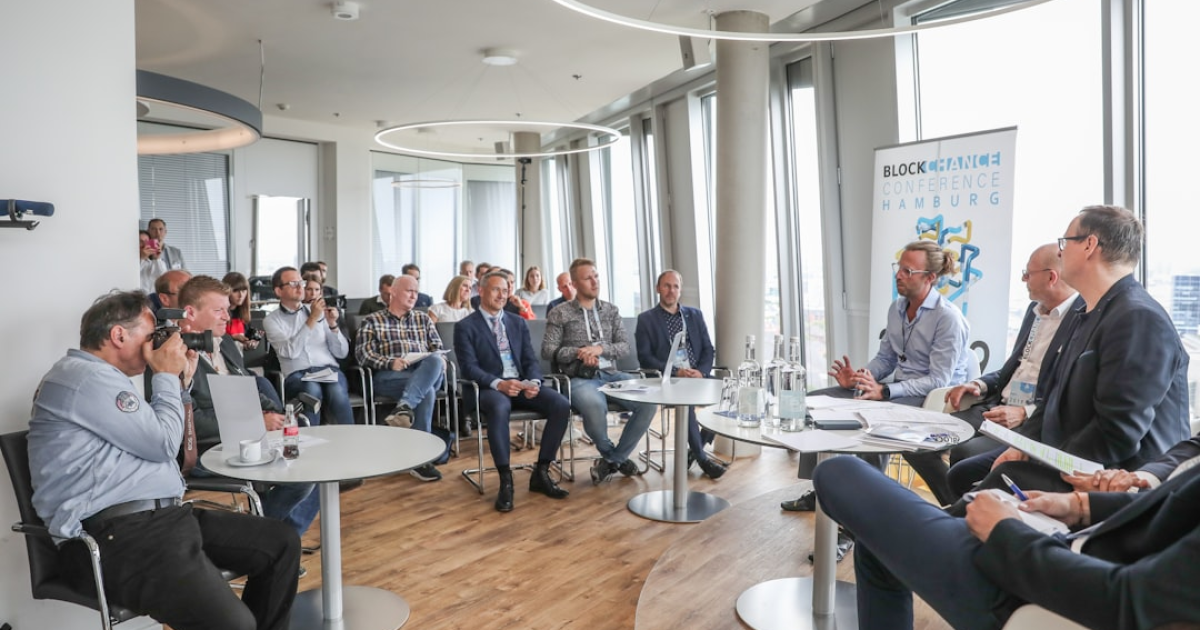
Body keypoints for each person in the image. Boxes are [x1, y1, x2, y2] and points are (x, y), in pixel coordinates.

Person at [29, 290, 299, 630]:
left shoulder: (108, 382)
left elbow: (166, 444)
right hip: (113, 537)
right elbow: (161, 444)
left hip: (162, 520)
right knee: (233, 624)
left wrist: (180, 384)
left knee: (279, 542)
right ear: (118, 335)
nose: (157, 346)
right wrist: (166, 377)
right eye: (150, 334)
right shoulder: (85, 379)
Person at [948, 206, 1190, 503]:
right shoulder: (1085, 312)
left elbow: (1116, 435)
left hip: (1115, 479)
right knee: (963, 473)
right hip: (1069, 453)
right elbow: (1051, 397)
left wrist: (1040, 458)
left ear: (1089, 245)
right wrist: (1024, 445)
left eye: (1065, 242)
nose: (1060, 253)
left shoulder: (1137, 319)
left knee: (992, 488)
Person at [813, 454, 1200, 630]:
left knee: (837, 470)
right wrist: (1080, 506)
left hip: (1041, 593)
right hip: (1070, 546)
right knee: (877, 549)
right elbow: (1174, 502)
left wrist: (1006, 533)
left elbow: (1129, 605)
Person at [782, 240, 972, 512]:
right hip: (896, 391)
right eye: (899, 268)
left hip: (931, 399)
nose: (898, 275)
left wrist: (884, 391)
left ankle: (860, 509)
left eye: (908, 271)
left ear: (930, 278)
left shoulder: (947, 319)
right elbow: (886, 358)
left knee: (872, 420)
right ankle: (821, 489)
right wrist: (862, 377)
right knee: (816, 401)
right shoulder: (897, 308)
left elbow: (939, 380)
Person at [907, 244, 1082, 505]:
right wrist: (979, 383)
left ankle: (961, 513)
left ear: (1051, 277)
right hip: (995, 408)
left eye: (1028, 273)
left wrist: (1026, 413)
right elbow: (1014, 367)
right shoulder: (1033, 312)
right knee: (919, 440)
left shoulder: (1082, 319)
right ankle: (954, 508)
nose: (1023, 279)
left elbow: (1070, 392)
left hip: (1029, 423)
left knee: (964, 453)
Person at [170, 275, 320, 536]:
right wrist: (254, 425)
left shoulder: (224, 342)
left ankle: (277, 541)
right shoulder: (171, 354)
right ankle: (272, 541)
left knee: (315, 467)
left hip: (246, 440)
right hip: (206, 450)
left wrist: (275, 412)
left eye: (227, 310)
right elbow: (187, 422)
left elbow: (246, 386)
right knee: (302, 476)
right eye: (218, 310)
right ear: (190, 312)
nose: (227, 317)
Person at [454, 271, 572, 511]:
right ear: (483, 291)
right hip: (489, 388)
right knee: (499, 407)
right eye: (496, 289)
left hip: (521, 383)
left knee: (560, 404)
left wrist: (534, 383)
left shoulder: (517, 322)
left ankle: (541, 471)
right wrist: (499, 383)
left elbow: (530, 360)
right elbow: (469, 368)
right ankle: (505, 480)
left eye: (506, 290)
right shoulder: (465, 326)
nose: (502, 295)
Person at [542, 258, 656, 484]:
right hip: (578, 377)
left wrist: (600, 349)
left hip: (612, 375)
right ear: (574, 283)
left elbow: (624, 346)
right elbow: (548, 351)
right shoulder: (560, 313)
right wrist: (579, 352)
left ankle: (613, 459)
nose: (594, 282)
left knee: (649, 403)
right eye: (587, 278)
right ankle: (617, 459)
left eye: (596, 276)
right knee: (595, 406)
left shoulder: (611, 311)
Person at [355, 274, 446, 482]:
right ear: (393, 292)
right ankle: (422, 459)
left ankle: (404, 408)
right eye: (409, 291)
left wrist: (439, 359)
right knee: (427, 392)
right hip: (391, 376)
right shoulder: (373, 320)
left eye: (416, 291)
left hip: (425, 372)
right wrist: (390, 362)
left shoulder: (423, 318)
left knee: (433, 360)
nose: (415, 295)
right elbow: (363, 355)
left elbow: (438, 349)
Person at [635, 269, 725, 479]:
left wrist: (701, 372)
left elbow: (708, 349)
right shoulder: (646, 319)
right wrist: (677, 371)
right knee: (687, 403)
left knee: (727, 398)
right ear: (658, 288)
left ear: (680, 290)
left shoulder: (695, 315)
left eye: (675, 286)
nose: (671, 291)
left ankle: (695, 450)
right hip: (669, 380)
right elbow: (645, 358)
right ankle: (703, 460)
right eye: (666, 286)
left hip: (696, 376)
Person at [262, 266, 355, 427]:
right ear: (278, 291)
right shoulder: (271, 320)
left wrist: (333, 325)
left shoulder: (317, 311)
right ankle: (309, 442)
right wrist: (312, 319)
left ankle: (351, 437)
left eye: (301, 282)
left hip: (328, 369)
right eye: (293, 283)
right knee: (311, 391)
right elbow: (290, 352)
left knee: (337, 391)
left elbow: (341, 353)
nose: (300, 287)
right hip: (297, 373)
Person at [221, 271, 260, 351]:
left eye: (244, 290)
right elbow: (212, 340)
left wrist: (250, 343)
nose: (241, 295)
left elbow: (244, 342)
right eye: (235, 291)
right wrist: (232, 338)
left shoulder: (243, 314)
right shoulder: (218, 313)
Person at [139, 229, 167, 293]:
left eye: (146, 241)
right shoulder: (129, 263)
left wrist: (157, 258)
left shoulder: (153, 263)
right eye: (140, 241)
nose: (144, 244)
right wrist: (142, 258)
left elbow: (163, 278)